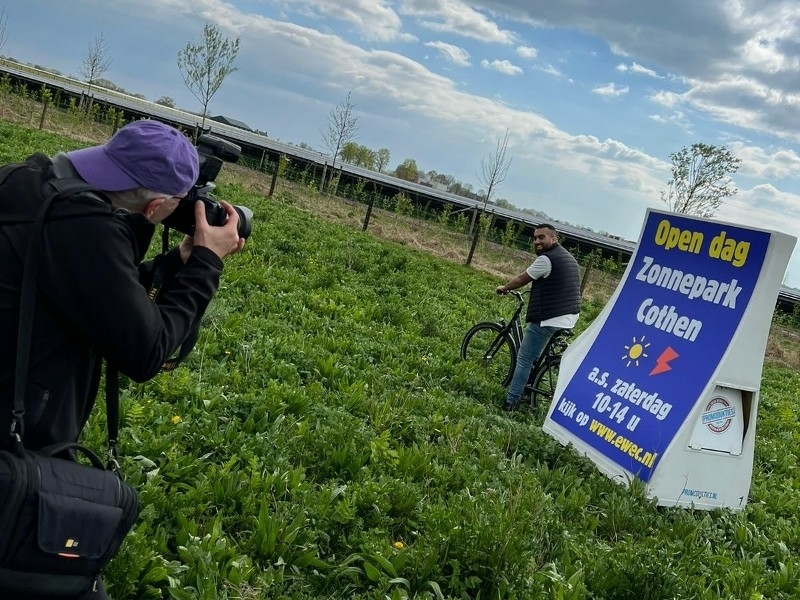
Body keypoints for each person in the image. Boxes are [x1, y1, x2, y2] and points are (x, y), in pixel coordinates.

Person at [0, 119, 245, 599]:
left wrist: (175, 262)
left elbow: (95, 290)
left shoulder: (31, 180)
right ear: (154, 207)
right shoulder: (85, 228)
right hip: (17, 431)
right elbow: (146, 349)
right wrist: (206, 267)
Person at [495, 224, 580, 411]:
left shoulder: (546, 259)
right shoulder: (568, 258)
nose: (537, 241)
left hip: (550, 318)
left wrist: (505, 288)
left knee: (524, 358)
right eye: (534, 238)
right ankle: (530, 382)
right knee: (534, 355)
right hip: (569, 316)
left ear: (553, 239)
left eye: (541, 237)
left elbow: (521, 279)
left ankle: (511, 401)